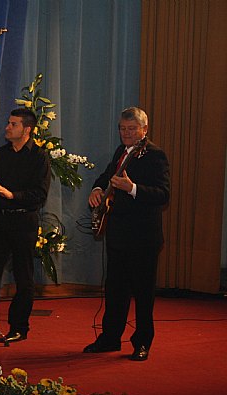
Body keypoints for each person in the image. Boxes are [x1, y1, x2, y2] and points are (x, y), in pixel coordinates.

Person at [84, 107, 170, 361]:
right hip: (118, 235)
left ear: (145, 129)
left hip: (143, 237)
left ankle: (142, 343)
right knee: (115, 292)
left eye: (132, 129)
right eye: (122, 128)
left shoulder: (155, 155)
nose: (126, 133)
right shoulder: (121, 152)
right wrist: (97, 189)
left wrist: (132, 188)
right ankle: (110, 338)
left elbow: (163, 194)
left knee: (143, 294)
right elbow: (106, 176)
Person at [0, 108, 51, 343]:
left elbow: (40, 194)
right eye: (8, 123)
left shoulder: (39, 157)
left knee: (24, 277)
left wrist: (12, 195)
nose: (7, 127)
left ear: (27, 129)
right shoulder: (1, 154)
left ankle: (19, 327)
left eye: (13, 124)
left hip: (24, 221)